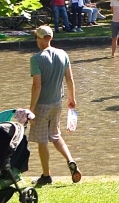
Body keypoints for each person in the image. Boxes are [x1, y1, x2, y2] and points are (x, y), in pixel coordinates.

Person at [28, 25, 81, 186]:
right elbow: (70, 79)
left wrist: (31, 109)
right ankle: (70, 160)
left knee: (42, 140)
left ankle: (46, 175)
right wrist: (72, 97)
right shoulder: (63, 54)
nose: (36, 40)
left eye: (37, 37)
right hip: (58, 103)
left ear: (41, 38)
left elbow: (37, 86)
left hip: (42, 104)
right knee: (56, 136)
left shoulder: (36, 59)